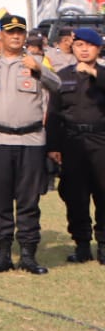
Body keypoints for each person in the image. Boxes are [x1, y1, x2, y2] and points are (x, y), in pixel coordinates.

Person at [0, 14, 62, 273]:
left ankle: (28, 254)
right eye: (11, 32)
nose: (16, 36)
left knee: (29, 200)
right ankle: (2, 253)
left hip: (31, 140)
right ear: (1, 36)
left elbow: (58, 86)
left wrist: (39, 69)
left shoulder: (38, 61)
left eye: (20, 32)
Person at [47, 26, 105, 265]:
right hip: (71, 141)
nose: (84, 49)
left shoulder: (102, 73)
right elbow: (53, 113)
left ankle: (103, 245)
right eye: (79, 45)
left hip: (101, 141)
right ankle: (81, 244)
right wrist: (53, 146)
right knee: (74, 195)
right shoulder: (63, 76)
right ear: (72, 47)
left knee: (103, 193)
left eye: (89, 45)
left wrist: (94, 75)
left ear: (98, 48)